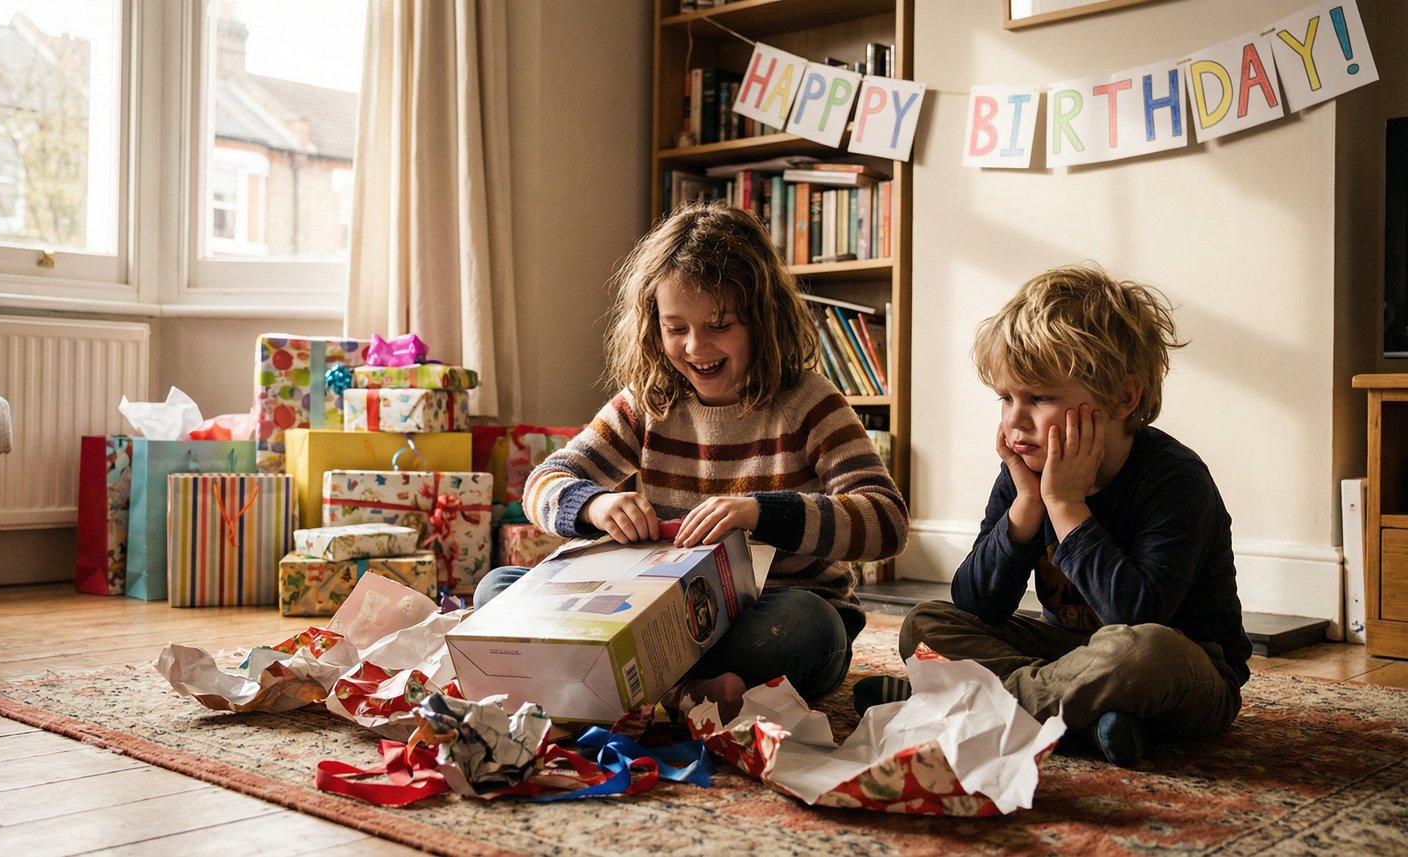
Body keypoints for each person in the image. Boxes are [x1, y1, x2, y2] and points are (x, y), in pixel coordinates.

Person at [474, 201, 909, 720]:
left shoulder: (809, 403)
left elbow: (887, 520)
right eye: (675, 327)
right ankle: (683, 693)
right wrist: (593, 507)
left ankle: (628, 687)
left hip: (767, 618)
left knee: (810, 624)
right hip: (654, 617)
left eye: (719, 324)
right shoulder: (649, 401)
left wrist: (762, 512)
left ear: (762, 319)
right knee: (497, 590)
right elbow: (544, 482)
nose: (695, 346)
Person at [887, 263, 1249, 768]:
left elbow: (1135, 616)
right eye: (1006, 398)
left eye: (1039, 397)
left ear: (1123, 398)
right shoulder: (1025, 474)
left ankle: (951, 703)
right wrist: (1027, 508)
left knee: (1140, 654)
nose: (1015, 420)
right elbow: (975, 605)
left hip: (1187, 666)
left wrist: (1066, 505)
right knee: (924, 625)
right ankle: (1087, 721)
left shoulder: (1175, 480)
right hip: (1066, 655)